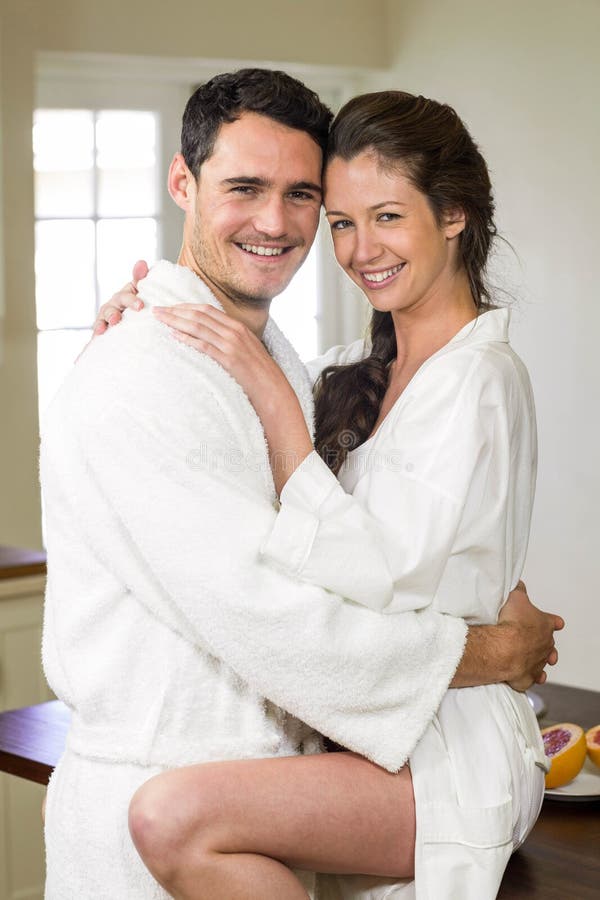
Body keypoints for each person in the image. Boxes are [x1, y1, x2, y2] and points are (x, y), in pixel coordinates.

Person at [42, 70, 560, 900]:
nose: (277, 223)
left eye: (304, 196)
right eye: (244, 188)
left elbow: (377, 563)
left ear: (453, 214)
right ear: (183, 182)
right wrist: (492, 650)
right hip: (179, 786)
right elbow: (270, 608)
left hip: (348, 773)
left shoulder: (323, 373)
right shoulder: (165, 371)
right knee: (174, 818)